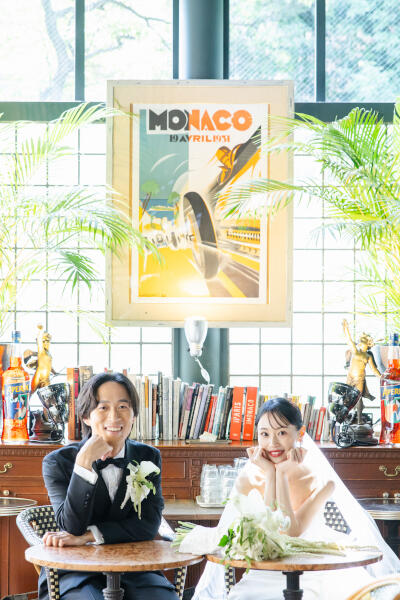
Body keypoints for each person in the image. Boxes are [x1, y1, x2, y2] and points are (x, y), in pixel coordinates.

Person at [182, 398, 400, 600]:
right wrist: (271, 473)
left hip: (318, 569)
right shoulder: (248, 478)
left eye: (282, 433)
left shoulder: (321, 481)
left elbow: (289, 531)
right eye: (264, 434)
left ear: (300, 434)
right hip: (266, 571)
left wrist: (282, 474)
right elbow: (267, 532)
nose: (272, 443)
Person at [39, 371, 178, 600]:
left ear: (134, 415)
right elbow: (71, 526)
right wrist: (83, 464)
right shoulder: (58, 462)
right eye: (103, 407)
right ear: (86, 416)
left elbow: (148, 524)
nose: (114, 417)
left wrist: (89, 535)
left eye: (123, 407)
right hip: (75, 571)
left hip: (135, 568)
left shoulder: (148, 457)